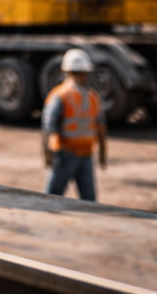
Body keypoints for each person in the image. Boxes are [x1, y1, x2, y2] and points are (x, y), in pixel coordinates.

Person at [41, 48, 107, 202]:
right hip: (78, 154)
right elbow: (102, 128)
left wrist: (47, 153)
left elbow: (47, 126)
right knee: (88, 201)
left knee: (51, 199)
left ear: (66, 70)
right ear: (86, 72)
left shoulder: (59, 95)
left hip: (69, 154)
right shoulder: (93, 97)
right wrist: (102, 154)